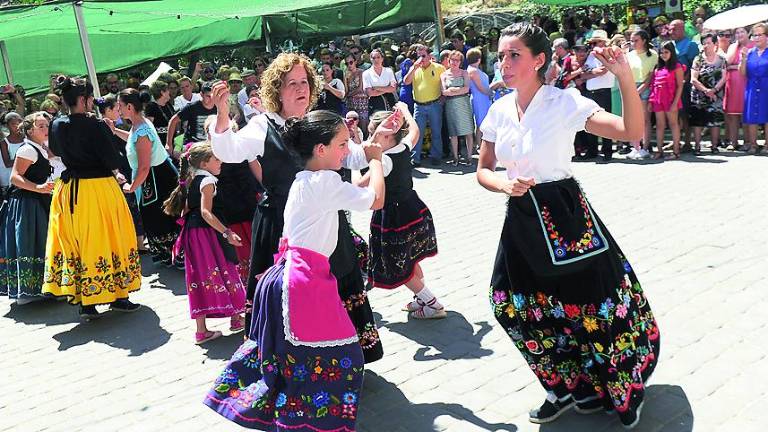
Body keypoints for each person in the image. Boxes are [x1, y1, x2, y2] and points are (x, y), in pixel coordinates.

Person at [476, 23, 659, 429]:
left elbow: (632, 132)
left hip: (566, 216)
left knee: (593, 308)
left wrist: (624, 78)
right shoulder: (498, 109)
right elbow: (483, 170)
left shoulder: (564, 103)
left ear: (539, 60)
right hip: (522, 216)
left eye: (514, 55)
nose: (503, 63)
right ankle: (564, 385)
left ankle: (617, 387)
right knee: (512, 304)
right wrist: (506, 184)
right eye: (501, 56)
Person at [204, 110, 387, 430]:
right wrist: (374, 158)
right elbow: (375, 200)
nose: (348, 150)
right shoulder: (326, 180)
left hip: (282, 279)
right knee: (343, 358)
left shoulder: (302, 179)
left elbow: (352, 191)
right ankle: (305, 422)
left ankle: (287, 417)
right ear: (320, 149)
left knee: (291, 359)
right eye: (343, 144)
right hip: (302, 281)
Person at [209, 54, 384, 363]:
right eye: (292, 84)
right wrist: (222, 114)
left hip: (325, 224)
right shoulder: (262, 126)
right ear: (277, 90)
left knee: (336, 285)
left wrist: (378, 146)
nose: (301, 89)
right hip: (280, 226)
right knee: (287, 298)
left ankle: (340, 358)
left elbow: (353, 156)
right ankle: (291, 363)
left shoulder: (316, 120)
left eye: (305, 82)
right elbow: (229, 151)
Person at [43, 76, 142, 319]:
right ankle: (119, 295)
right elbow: (112, 160)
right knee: (111, 237)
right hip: (98, 189)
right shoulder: (94, 125)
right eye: (88, 99)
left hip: (70, 191)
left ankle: (86, 301)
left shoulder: (56, 123)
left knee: (78, 242)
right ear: (83, 99)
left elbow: (54, 151)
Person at [362, 105, 444, 319]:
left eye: (375, 133)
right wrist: (406, 110)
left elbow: (360, 183)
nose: (372, 138)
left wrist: (356, 164)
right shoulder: (403, 147)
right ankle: (421, 299)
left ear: (389, 135)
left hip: (394, 216)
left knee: (397, 263)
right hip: (413, 209)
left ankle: (432, 303)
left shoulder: (385, 159)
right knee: (411, 258)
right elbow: (415, 130)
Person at [163, 142, 246, 344]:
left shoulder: (191, 179)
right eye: (216, 159)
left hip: (193, 234)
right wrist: (226, 232)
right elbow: (205, 212)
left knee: (200, 277)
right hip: (208, 234)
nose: (221, 162)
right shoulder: (208, 181)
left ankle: (202, 330)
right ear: (204, 163)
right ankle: (236, 318)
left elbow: (185, 211)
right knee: (226, 267)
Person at [116, 89, 182, 267]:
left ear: (130, 106)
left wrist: (132, 186)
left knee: (159, 217)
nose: (118, 110)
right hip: (154, 176)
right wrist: (113, 130)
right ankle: (167, 254)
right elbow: (131, 139)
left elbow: (144, 167)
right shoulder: (138, 126)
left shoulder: (142, 131)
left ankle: (175, 254)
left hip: (156, 178)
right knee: (157, 216)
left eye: (120, 106)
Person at [0, 112, 54, 304]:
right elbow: (15, 177)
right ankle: (29, 290)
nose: (46, 129)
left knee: (42, 240)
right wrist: (37, 187)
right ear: (30, 130)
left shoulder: (40, 147)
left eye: (47, 125)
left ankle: (45, 286)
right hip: (26, 203)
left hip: (38, 200)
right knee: (30, 240)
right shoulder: (27, 150)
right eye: (41, 126)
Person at [96, 96, 146, 254]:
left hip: (125, 169)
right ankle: (134, 243)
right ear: (108, 110)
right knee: (127, 208)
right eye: (116, 109)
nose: (119, 111)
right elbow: (106, 154)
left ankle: (138, 242)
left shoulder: (115, 125)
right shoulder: (100, 127)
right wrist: (116, 172)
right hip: (117, 173)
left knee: (132, 207)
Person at [403, 44, 446, 166]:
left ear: (429, 56)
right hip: (419, 106)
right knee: (417, 132)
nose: (421, 59)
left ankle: (436, 156)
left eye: (423, 56)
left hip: (434, 104)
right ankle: (415, 158)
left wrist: (443, 98)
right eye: (418, 56)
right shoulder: (414, 69)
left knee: (436, 131)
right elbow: (406, 81)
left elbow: (445, 84)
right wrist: (413, 68)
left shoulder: (439, 68)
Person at [581, 30, 616, 161]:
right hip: (592, 92)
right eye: (591, 43)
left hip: (603, 91)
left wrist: (591, 72)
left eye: (595, 42)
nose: (592, 45)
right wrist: (592, 72)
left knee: (606, 122)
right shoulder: (591, 55)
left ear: (602, 42)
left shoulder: (608, 54)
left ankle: (607, 151)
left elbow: (603, 71)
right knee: (591, 121)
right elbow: (583, 73)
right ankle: (592, 150)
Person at [690, 33, 727, 155]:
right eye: (704, 43)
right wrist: (706, 91)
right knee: (698, 122)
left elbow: (723, 78)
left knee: (715, 121)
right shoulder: (698, 59)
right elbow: (693, 79)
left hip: (716, 95)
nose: (706, 45)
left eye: (708, 43)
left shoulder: (721, 60)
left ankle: (714, 146)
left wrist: (714, 90)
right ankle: (697, 147)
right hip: (699, 95)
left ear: (715, 44)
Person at [649, 41, 685, 159]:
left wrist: (675, 103)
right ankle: (659, 151)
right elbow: (653, 85)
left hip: (671, 100)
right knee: (660, 125)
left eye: (666, 52)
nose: (663, 54)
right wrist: (651, 101)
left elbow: (680, 86)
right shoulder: (657, 68)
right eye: (661, 52)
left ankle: (676, 151)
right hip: (658, 100)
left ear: (672, 53)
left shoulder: (677, 66)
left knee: (673, 124)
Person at [626, 30, 658, 159]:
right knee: (633, 120)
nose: (633, 43)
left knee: (645, 120)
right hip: (631, 86)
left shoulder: (653, 55)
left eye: (636, 40)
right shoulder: (629, 55)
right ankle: (635, 147)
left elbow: (650, 77)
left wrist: (639, 90)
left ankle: (644, 148)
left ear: (644, 40)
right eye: (632, 41)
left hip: (645, 88)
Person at [441, 50, 476, 166]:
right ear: (448, 61)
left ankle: (470, 157)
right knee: (453, 133)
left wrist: (453, 90)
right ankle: (456, 157)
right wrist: (457, 90)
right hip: (451, 105)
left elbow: (467, 89)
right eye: (453, 60)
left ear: (460, 62)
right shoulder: (444, 74)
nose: (455, 62)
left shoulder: (464, 73)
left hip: (463, 103)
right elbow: (444, 92)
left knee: (468, 131)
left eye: (457, 60)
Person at [166, 82, 217, 157]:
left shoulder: (219, 107)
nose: (211, 99)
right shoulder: (192, 107)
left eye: (213, 96)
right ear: (201, 95)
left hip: (212, 146)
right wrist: (168, 144)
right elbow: (173, 121)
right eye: (208, 96)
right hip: (193, 146)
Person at [740, 23, 768, 154]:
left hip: (766, 86)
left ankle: (767, 145)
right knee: (751, 116)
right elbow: (743, 73)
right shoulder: (749, 52)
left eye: (760, 35)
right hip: (752, 86)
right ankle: (753, 144)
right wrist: (744, 59)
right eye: (754, 35)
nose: (757, 38)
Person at [724, 27, 754, 150]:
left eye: (742, 32)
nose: (739, 34)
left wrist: (734, 66)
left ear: (748, 33)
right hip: (732, 83)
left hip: (746, 81)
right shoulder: (732, 46)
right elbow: (727, 62)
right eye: (737, 32)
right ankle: (733, 141)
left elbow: (751, 65)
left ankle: (748, 142)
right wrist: (736, 45)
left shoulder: (753, 45)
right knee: (732, 114)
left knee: (746, 113)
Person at [467, 47, 493, 148]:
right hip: (480, 99)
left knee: (483, 122)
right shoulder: (473, 71)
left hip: (482, 98)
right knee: (480, 123)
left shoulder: (474, 69)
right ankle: (480, 145)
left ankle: (482, 144)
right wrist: (491, 93)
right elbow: (481, 88)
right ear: (478, 59)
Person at [0, 112, 26, 202]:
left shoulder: (27, 138)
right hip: (15, 180)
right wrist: (24, 159)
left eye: (19, 123)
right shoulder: (4, 142)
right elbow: (7, 163)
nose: (17, 126)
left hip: (30, 175)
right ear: (7, 126)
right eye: (13, 124)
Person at [363, 48, 398, 115]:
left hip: (390, 101)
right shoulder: (366, 73)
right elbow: (370, 93)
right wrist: (387, 88)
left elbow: (393, 88)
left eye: (378, 57)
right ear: (370, 59)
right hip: (375, 103)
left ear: (382, 58)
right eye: (373, 58)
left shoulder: (389, 71)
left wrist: (376, 88)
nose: (376, 60)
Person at [145, 80, 176, 150]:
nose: (169, 92)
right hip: (160, 144)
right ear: (162, 93)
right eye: (167, 90)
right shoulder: (151, 107)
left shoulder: (168, 104)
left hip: (174, 141)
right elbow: (148, 127)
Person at [344, 53, 369, 134]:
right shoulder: (346, 74)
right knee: (352, 126)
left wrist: (349, 95)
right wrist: (346, 78)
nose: (349, 65)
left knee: (363, 124)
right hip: (351, 103)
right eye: (346, 63)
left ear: (355, 62)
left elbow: (360, 88)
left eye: (351, 62)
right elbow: (346, 90)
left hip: (362, 102)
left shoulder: (362, 72)